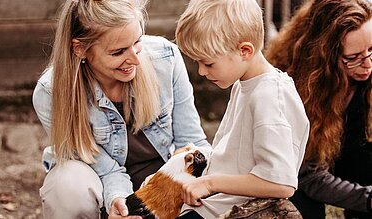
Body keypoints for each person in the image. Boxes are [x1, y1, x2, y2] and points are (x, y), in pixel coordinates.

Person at [32, 0, 210, 218]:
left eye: (137, 41)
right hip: (101, 186)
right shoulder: (51, 92)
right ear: (80, 49)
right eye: (118, 52)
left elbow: (192, 143)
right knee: (66, 184)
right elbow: (103, 168)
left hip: (159, 183)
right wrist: (121, 201)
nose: (135, 59)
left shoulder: (166, 58)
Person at [174, 0, 310, 218]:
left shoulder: (267, 97)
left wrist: (210, 183)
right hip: (213, 204)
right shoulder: (245, 84)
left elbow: (280, 183)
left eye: (208, 63)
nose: (200, 71)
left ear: (244, 50)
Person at [265, 0, 372, 218]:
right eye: (352, 58)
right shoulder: (298, 89)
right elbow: (309, 176)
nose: (368, 64)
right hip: (309, 179)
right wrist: (367, 200)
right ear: (325, 55)